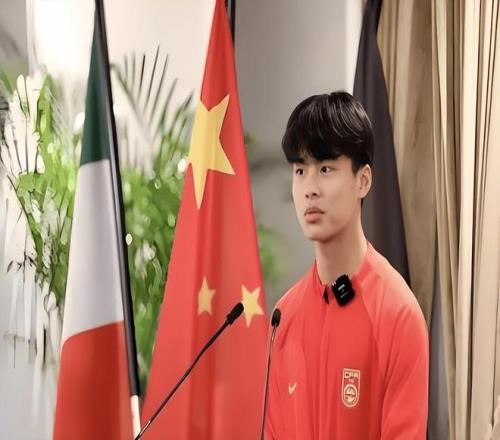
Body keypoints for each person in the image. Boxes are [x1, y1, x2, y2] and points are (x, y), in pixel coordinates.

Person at [265, 92, 429, 439]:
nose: (309, 188)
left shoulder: (398, 314)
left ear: (362, 180)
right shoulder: (284, 317)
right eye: (300, 170)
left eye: (325, 169)